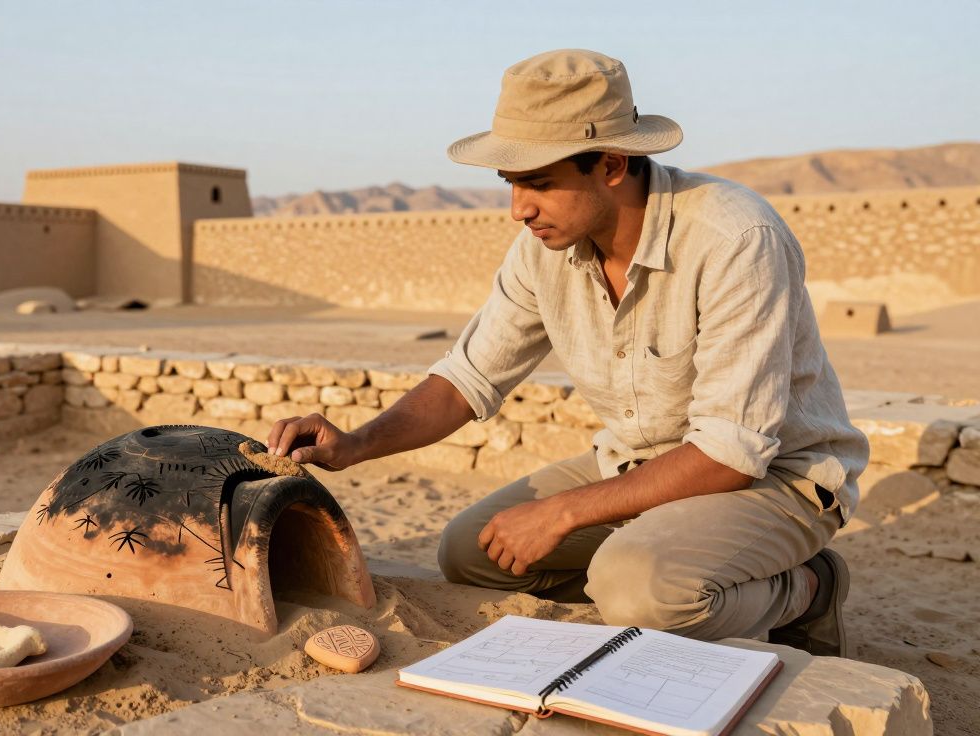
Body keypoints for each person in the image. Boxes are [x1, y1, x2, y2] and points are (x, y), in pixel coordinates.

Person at [265, 49, 868, 657]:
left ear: (611, 164)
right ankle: (658, 559)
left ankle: (808, 588)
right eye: (511, 183)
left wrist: (563, 514)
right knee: (472, 553)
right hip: (637, 464)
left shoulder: (735, 238)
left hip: (772, 479)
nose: (518, 209)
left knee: (640, 590)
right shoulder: (543, 251)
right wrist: (355, 444)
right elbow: (465, 379)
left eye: (539, 183)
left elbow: (731, 452)